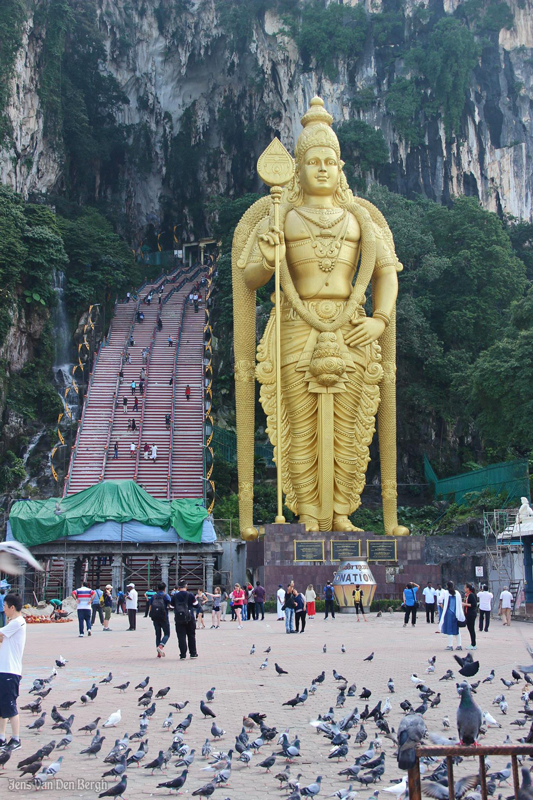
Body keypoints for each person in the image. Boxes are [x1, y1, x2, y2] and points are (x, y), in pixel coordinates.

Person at [0, 593, 26, 750]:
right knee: (2, 707)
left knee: (10, 706)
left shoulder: (18, 622)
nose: (3, 609)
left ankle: (16, 739)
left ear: (12, 607)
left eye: (4, 606)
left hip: (11, 671)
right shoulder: (13, 623)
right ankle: (1, 737)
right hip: (4, 670)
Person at [171, 580, 198, 659]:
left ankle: (183, 654)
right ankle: (193, 653)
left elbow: (171, 606)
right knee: (191, 635)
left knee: (181, 636)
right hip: (190, 618)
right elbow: (196, 605)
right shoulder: (190, 595)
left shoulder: (175, 596)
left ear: (178, 587)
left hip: (179, 618)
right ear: (186, 586)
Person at [440, 581, 465, 650]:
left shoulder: (445, 592)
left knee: (449, 629)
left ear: (447, 586)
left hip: (448, 613)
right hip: (456, 613)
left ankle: (450, 645)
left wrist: (441, 604)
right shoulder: (457, 593)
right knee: (456, 629)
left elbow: (439, 599)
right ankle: (459, 645)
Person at [149, 582, 172, 657]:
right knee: (167, 633)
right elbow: (171, 604)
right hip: (164, 617)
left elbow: (150, 606)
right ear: (165, 588)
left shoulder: (154, 596)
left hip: (155, 617)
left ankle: (158, 653)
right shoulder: (165, 596)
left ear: (157, 588)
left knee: (158, 635)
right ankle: (161, 646)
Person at [463, 583, 478, 650]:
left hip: (471, 613)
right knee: (470, 629)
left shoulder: (471, 595)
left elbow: (474, 604)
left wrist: (465, 604)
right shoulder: (467, 595)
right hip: (468, 613)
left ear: (468, 588)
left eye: (465, 587)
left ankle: (473, 644)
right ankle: (472, 643)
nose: (464, 589)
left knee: (471, 629)